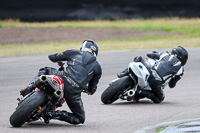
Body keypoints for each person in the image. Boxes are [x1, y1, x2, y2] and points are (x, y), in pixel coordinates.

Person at [20, 40, 102, 124]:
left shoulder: (74, 52)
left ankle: (29, 87)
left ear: (83, 47)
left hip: (62, 77)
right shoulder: (98, 68)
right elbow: (92, 90)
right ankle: (51, 114)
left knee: (45, 70)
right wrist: (84, 88)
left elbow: (52, 57)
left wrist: (62, 56)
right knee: (80, 118)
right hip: (73, 92)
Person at [117, 46, 188, 103]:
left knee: (139, 58)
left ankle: (123, 73)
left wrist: (154, 54)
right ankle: (141, 92)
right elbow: (172, 85)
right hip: (157, 83)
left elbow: (149, 54)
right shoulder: (181, 70)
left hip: (150, 71)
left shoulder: (165, 54)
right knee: (160, 98)